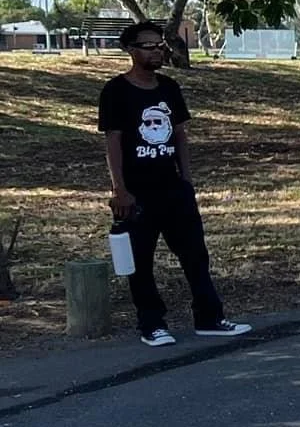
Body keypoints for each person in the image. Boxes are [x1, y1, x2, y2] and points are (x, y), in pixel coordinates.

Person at [97, 20, 249, 346]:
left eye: (160, 45)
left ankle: (209, 317)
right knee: (141, 260)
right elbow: (113, 141)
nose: (157, 51)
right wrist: (119, 189)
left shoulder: (169, 88)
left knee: (195, 254)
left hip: (174, 187)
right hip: (137, 191)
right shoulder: (116, 91)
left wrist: (187, 179)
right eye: (149, 46)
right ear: (132, 50)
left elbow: (180, 134)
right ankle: (152, 324)